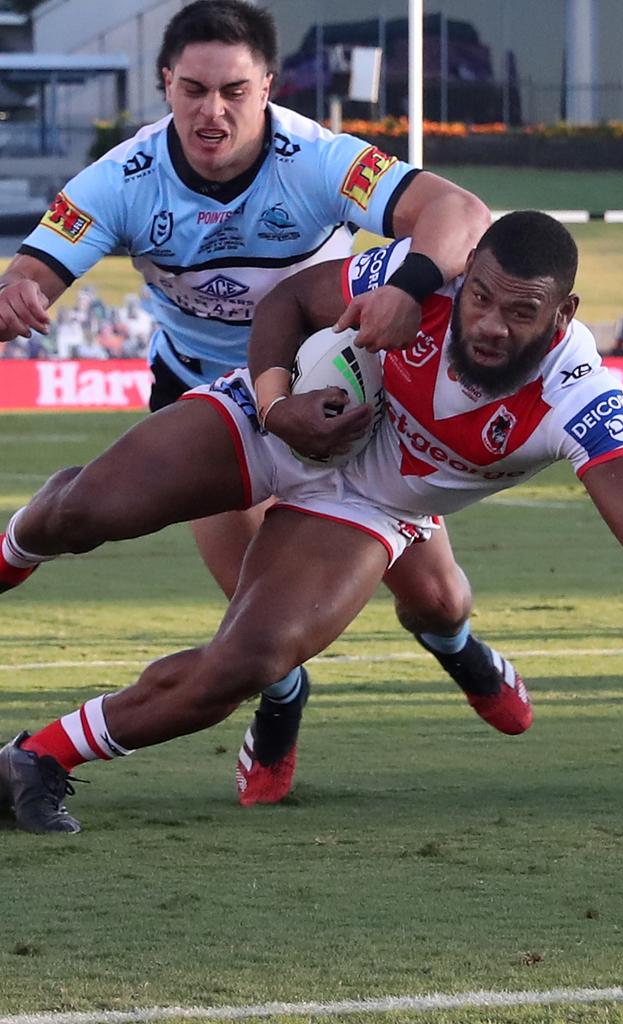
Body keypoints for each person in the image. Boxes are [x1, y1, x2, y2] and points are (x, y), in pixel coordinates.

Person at [1, 210, 623, 835]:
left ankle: (36, 758)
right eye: (482, 299)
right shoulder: (424, 283)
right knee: (87, 507)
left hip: (371, 504)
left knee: (253, 659)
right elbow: (291, 302)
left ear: (561, 315)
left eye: (522, 312)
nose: (491, 324)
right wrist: (276, 404)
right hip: (280, 417)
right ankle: (8, 555)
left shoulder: (576, 390)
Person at [0, 0, 492, 804]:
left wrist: (406, 288)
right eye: (192, 89)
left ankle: (458, 645)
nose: (212, 110)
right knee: (256, 627)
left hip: (341, 404)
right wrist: (16, 295)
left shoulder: (317, 159)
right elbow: (32, 273)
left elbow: (461, 213)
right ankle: (283, 704)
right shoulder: (121, 178)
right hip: (206, 400)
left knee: (437, 596)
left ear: (268, 86)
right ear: (165, 85)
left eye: (234, 90)